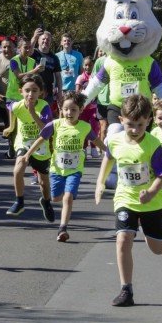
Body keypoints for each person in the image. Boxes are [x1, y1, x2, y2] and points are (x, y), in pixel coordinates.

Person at [94, 94, 162, 307]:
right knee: (123, 238)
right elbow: (108, 158)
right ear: (121, 121)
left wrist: (152, 193)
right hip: (125, 197)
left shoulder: (153, 144)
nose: (135, 130)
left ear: (148, 121)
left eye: (140, 125)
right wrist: (100, 183)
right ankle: (126, 289)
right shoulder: (116, 141)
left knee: (158, 249)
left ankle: (149, 232)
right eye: (130, 125)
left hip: (150, 202)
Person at [23, 91, 106, 242]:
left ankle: (62, 228)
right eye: (66, 109)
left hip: (75, 170)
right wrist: (28, 154)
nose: (69, 112)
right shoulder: (55, 125)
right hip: (57, 169)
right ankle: (46, 200)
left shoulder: (85, 127)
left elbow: (96, 141)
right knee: (56, 198)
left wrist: (108, 152)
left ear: (81, 110)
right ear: (61, 109)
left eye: (74, 109)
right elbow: (41, 139)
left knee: (68, 198)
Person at [3, 74, 55, 220]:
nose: (30, 94)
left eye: (34, 90)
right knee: (18, 169)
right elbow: (11, 108)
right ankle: (19, 201)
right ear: (21, 91)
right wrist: (11, 126)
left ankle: (46, 201)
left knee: (43, 182)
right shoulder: (17, 106)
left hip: (40, 143)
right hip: (23, 142)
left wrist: (32, 112)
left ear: (41, 93)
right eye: (27, 90)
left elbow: (46, 130)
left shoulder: (44, 107)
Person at [31, 29, 62, 111]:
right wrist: (34, 37)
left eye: (48, 40)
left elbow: (58, 77)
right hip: (33, 91)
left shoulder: (54, 57)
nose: (45, 41)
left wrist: (59, 93)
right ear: (38, 41)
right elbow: (27, 49)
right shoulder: (33, 53)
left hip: (48, 93)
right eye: (43, 39)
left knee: (46, 117)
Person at [75, 56, 100, 158]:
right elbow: (77, 91)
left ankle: (93, 147)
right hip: (83, 108)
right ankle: (84, 147)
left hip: (94, 107)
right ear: (83, 66)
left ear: (93, 66)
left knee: (94, 127)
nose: (88, 67)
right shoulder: (80, 78)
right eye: (86, 65)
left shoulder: (96, 77)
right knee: (84, 127)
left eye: (90, 65)